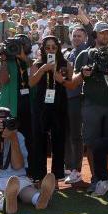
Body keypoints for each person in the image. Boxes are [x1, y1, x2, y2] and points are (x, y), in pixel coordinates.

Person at [70, 22, 108, 190]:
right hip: (91, 104)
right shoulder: (85, 54)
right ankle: (96, 179)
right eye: (102, 33)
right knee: (92, 143)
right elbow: (72, 82)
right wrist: (83, 74)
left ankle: (106, 178)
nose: (105, 36)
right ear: (95, 35)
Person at [29, 36, 73, 181]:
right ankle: (39, 173)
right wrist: (43, 69)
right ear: (43, 48)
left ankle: (58, 173)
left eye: (54, 47)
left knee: (59, 138)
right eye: (47, 47)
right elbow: (31, 83)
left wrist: (57, 75)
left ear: (58, 48)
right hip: (41, 104)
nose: (51, 50)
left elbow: (69, 83)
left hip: (59, 103)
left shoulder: (65, 63)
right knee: (39, 138)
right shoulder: (37, 63)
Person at [0, 34, 33, 145]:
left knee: (28, 139)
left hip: (28, 105)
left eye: (20, 46)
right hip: (10, 105)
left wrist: (23, 57)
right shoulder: (5, 62)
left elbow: (35, 68)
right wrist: (3, 61)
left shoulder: (30, 61)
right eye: (14, 46)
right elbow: (3, 80)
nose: (16, 48)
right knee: (7, 140)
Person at [63, 25, 90, 184]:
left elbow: (93, 35)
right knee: (66, 133)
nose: (76, 38)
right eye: (74, 36)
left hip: (77, 97)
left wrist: (83, 18)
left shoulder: (86, 50)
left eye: (80, 36)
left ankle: (76, 170)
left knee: (75, 135)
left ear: (85, 37)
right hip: (65, 97)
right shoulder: (68, 53)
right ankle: (68, 167)